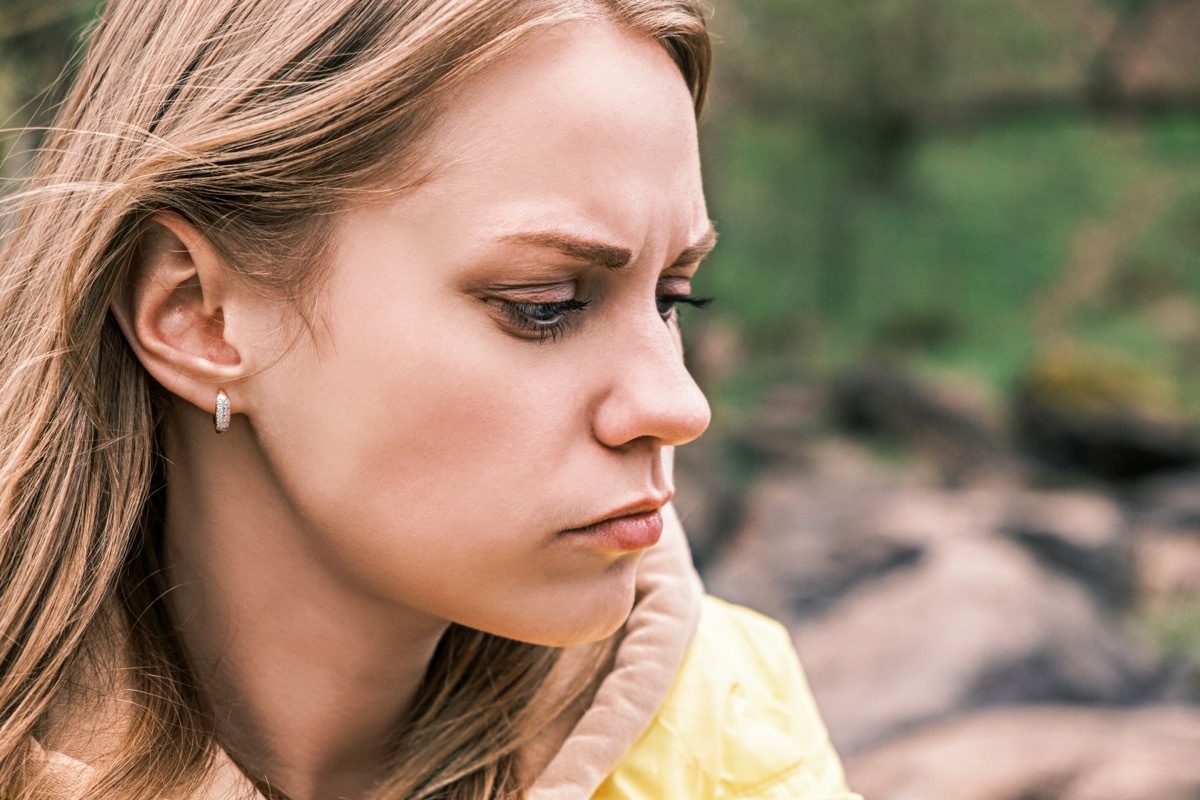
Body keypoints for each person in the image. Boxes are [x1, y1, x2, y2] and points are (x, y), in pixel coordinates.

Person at [0, 1, 861, 798]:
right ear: (198, 316)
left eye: (674, 298)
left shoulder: (733, 728)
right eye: (543, 305)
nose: (679, 406)